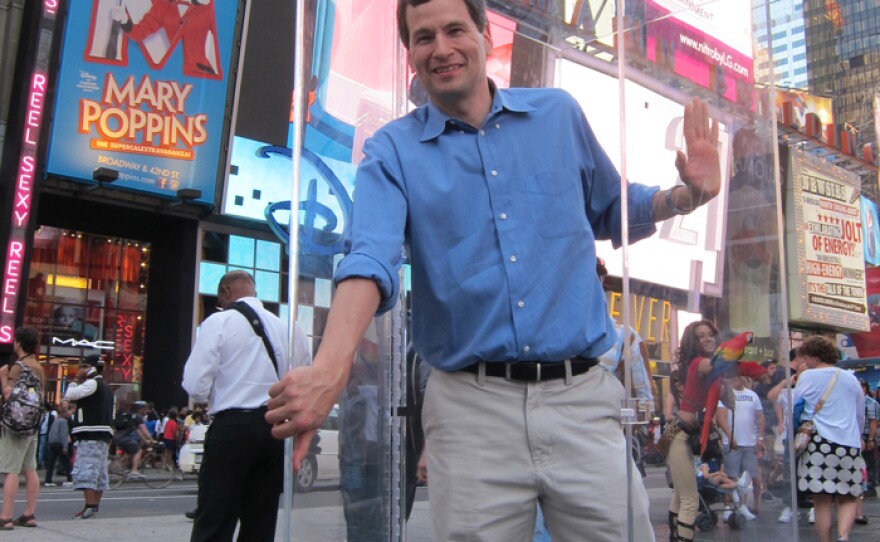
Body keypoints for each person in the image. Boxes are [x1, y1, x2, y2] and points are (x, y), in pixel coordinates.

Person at [263, 0, 722, 539]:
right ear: (409, 52)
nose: (442, 48)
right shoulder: (393, 151)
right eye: (424, 37)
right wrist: (329, 368)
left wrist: (686, 195)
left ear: (484, 32)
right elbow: (370, 259)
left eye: (455, 29)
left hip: (581, 401)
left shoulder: (557, 114)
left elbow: (611, 208)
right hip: (470, 412)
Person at [182, 270, 310, 542]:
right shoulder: (289, 328)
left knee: (215, 518)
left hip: (233, 427)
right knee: (260, 521)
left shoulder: (220, 321)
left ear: (226, 292)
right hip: (275, 428)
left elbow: (195, 385)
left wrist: (214, 393)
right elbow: (304, 376)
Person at [793, 336, 865, 542]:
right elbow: (859, 414)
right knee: (848, 497)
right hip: (848, 444)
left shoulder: (808, 377)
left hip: (818, 444)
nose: (804, 362)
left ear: (815, 357)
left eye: (805, 357)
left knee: (821, 500)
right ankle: (843, 536)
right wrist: (857, 436)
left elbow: (794, 404)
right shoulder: (851, 379)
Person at [666, 320, 718, 541]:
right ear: (692, 342)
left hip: (674, 432)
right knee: (689, 499)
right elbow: (714, 366)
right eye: (701, 336)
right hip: (680, 433)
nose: (708, 339)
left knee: (680, 495)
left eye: (710, 334)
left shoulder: (686, 368)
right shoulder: (699, 363)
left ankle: (675, 537)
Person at [0, 327, 45, 529]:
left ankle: (6, 516)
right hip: (32, 424)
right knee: (30, 468)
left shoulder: (18, 367)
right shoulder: (39, 367)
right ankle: (29, 513)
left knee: (10, 469)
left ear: (18, 342)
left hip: (14, 426)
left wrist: (3, 377)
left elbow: (9, 394)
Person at [64, 354, 114, 519]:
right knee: (99, 472)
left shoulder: (92, 384)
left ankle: (89, 505)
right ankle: (94, 507)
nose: (82, 369)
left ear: (92, 368)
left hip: (91, 434)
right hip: (103, 435)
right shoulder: (107, 387)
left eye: (84, 366)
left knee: (87, 470)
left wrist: (75, 378)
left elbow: (70, 394)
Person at [714, 374, 764, 518]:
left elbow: (760, 417)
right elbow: (721, 417)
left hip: (749, 442)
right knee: (731, 475)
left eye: (736, 376)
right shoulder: (726, 395)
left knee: (746, 478)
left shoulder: (752, 395)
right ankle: (728, 506)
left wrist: (760, 437)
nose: (733, 379)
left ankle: (742, 505)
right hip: (732, 443)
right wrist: (729, 435)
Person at [113, 401, 155, 478]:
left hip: (117, 437)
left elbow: (137, 431)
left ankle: (121, 468)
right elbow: (144, 430)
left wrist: (146, 441)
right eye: (144, 409)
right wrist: (152, 440)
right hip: (123, 438)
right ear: (140, 409)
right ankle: (134, 471)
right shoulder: (138, 417)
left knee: (128, 453)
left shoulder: (129, 415)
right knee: (139, 451)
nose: (146, 411)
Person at [43, 403, 73, 487]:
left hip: (52, 443)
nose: (69, 415)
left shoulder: (56, 421)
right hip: (59, 444)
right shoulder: (63, 422)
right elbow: (64, 435)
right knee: (67, 462)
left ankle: (48, 480)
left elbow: (51, 432)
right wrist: (65, 447)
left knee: (51, 463)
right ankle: (70, 479)